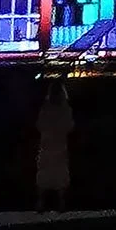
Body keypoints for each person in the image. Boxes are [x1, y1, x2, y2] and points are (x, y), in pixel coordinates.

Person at [35, 77, 75, 212]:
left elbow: (40, 125)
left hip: (47, 144)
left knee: (45, 172)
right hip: (59, 144)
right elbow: (69, 126)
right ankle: (61, 203)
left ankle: (41, 203)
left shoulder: (45, 108)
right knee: (60, 172)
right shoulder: (65, 108)